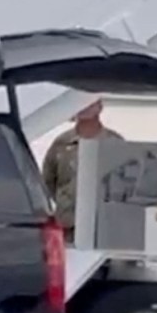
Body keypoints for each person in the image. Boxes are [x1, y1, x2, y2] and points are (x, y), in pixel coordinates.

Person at [42, 99, 120, 233]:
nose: (85, 106)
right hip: (68, 225)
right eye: (81, 102)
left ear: (99, 106)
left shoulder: (115, 143)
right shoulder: (62, 142)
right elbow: (47, 182)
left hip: (104, 226)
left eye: (90, 102)